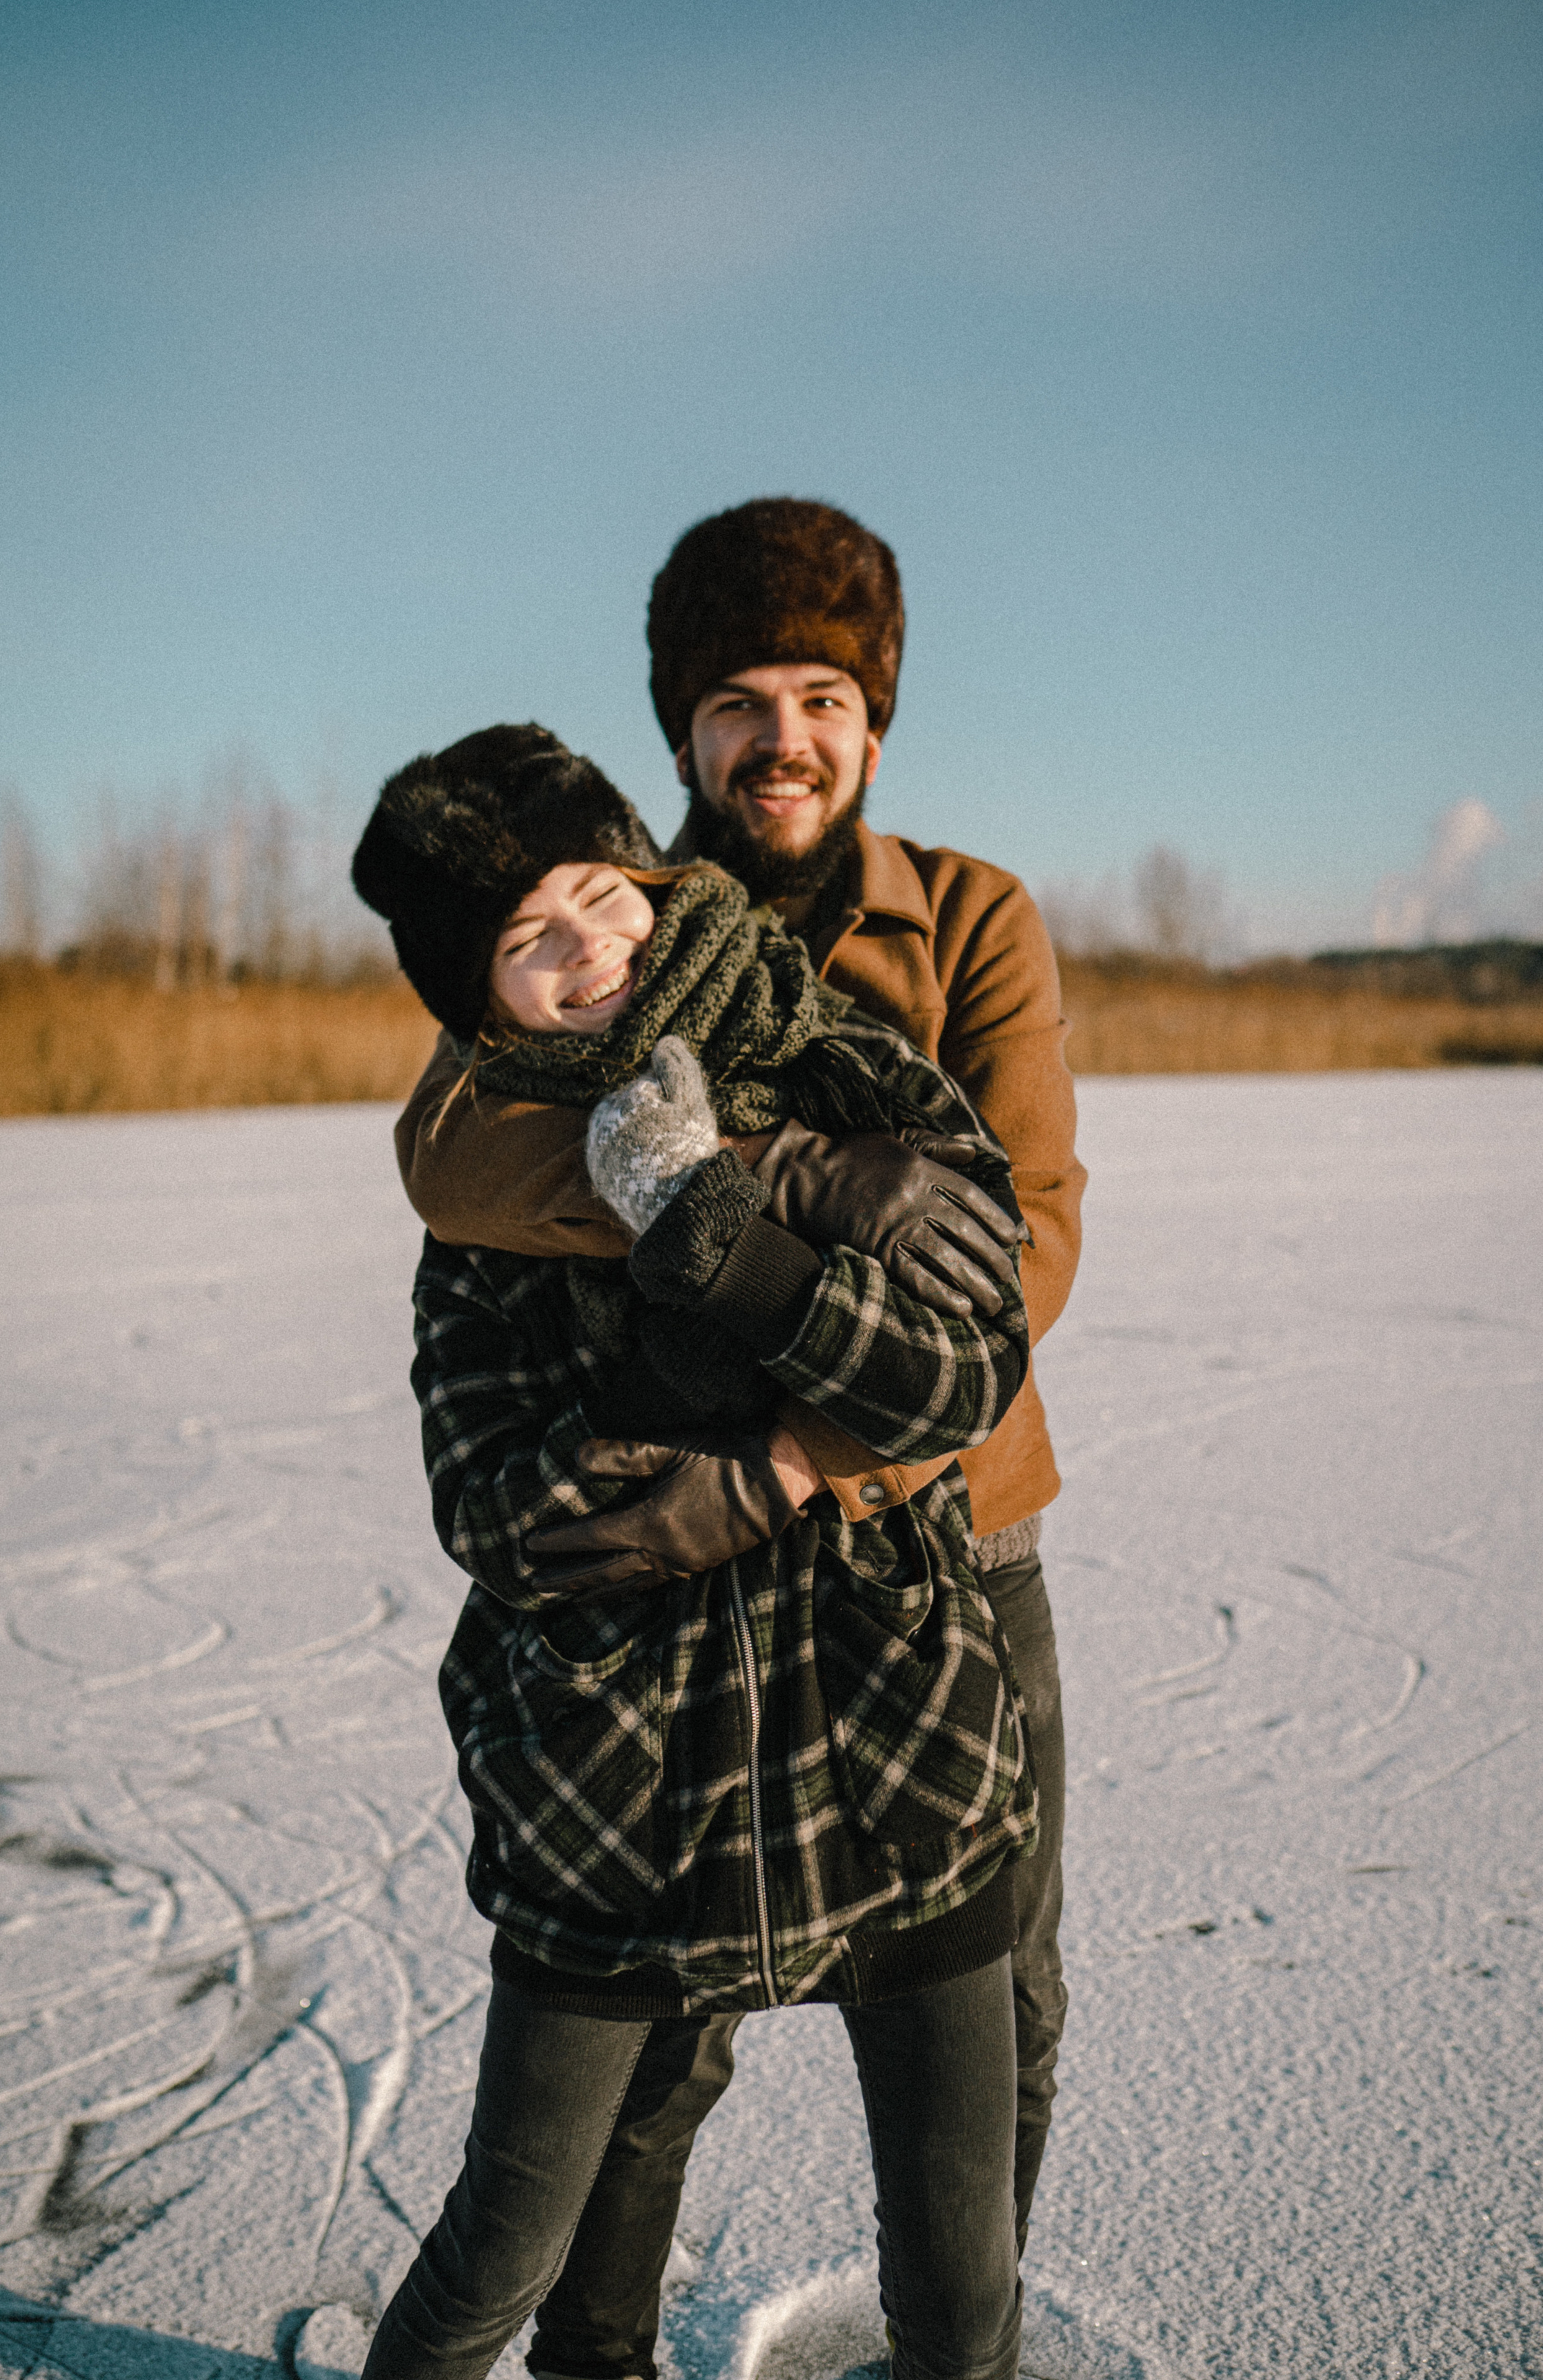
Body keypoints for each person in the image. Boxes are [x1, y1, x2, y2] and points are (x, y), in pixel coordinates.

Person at [389, 500, 1085, 2380]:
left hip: (943, 1539)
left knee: (988, 1990)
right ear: (678, 733)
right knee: (655, 2038)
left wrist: (792, 1464)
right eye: (734, 702)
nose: (781, 736)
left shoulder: (964, 917)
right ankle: (592, 2348)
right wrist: (763, 1171)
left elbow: (1017, 1237)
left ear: (873, 723)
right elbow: (460, 1155)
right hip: (666, 1636)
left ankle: (965, 2323)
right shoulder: (595, 906)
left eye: (822, 695)